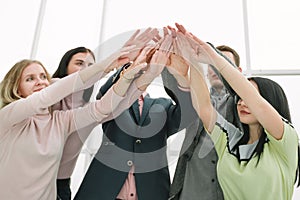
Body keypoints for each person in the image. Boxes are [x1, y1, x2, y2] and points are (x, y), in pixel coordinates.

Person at [0, 28, 162, 200]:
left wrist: (144, 74)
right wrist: (110, 63)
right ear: (16, 88)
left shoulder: (61, 120)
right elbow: (47, 96)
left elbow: (103, 108)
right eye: (30, 78)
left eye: (42, 76)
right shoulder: (10, 115)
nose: (40, 81)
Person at [174, 24, 300, 200]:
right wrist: (193, 60)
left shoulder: (285, 142)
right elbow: (204, 107)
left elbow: (257, 104)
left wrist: (212, 56)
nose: (242, 102)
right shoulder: (229, 141)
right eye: (240, 98)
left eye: (249, 97)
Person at [74, 28, 197, 200]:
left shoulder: (163, 105)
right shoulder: (113, 101)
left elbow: (189, 114)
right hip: (103, 190)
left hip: (151, 192)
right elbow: (106, 92)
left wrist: (174, 71)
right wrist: (133, 62)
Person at [164, 41, 242, 200]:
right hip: (190, 191)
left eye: (222, 63)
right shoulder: (195, 101)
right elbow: (176, 88)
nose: (215, 69)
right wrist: (168, 54)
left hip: (230, 192)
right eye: (210, 64)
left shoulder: (245, 105)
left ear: (237, 72)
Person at [52, 47, 96, 200]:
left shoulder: (89, 108)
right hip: (31, 177)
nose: (85, 70)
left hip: (61, 184)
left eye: (91, 66)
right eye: (79, 63)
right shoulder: (51, 88)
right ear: (66, 66)